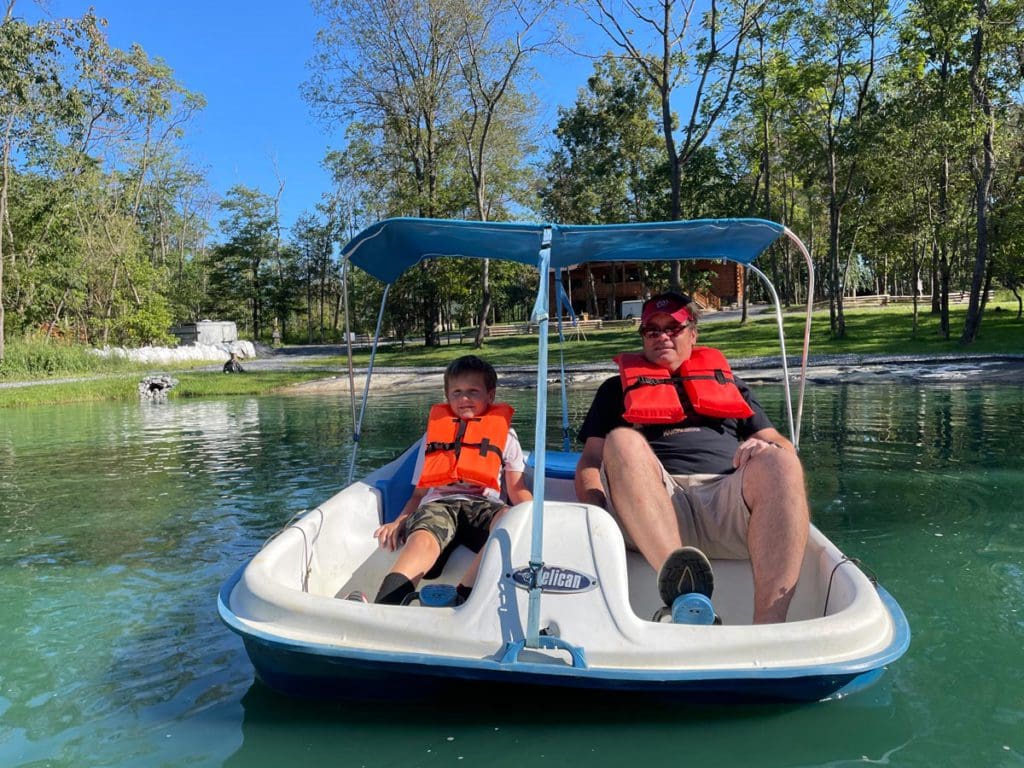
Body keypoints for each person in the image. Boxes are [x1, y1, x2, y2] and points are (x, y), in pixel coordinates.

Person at [575, 292, 809, 624]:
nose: (662, 336)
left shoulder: (728, 384)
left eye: (673, 327)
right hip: (650, 507)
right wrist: (594, 510)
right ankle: (685, 596)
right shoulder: (614, 390)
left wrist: (767, 449)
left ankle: (769, 628)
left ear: (693, 333)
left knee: (783, 461)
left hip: (726, 501)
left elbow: (780, 443)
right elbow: (590, 461)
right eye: (652, 330)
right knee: (623, 440)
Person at [371, 355, 533, 606]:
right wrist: (400, 520)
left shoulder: (507, 436)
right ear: (447, 396)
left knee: (509, 519)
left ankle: (462, 595)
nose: (463, 398)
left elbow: (517, 488)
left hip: (483, 507)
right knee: (422, 537)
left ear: (490, 396)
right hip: (440, 505)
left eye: (473, 392)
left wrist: (535, 515)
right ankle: (386, 605)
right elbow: (418, 494)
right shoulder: (433, 436)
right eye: (456, 392)